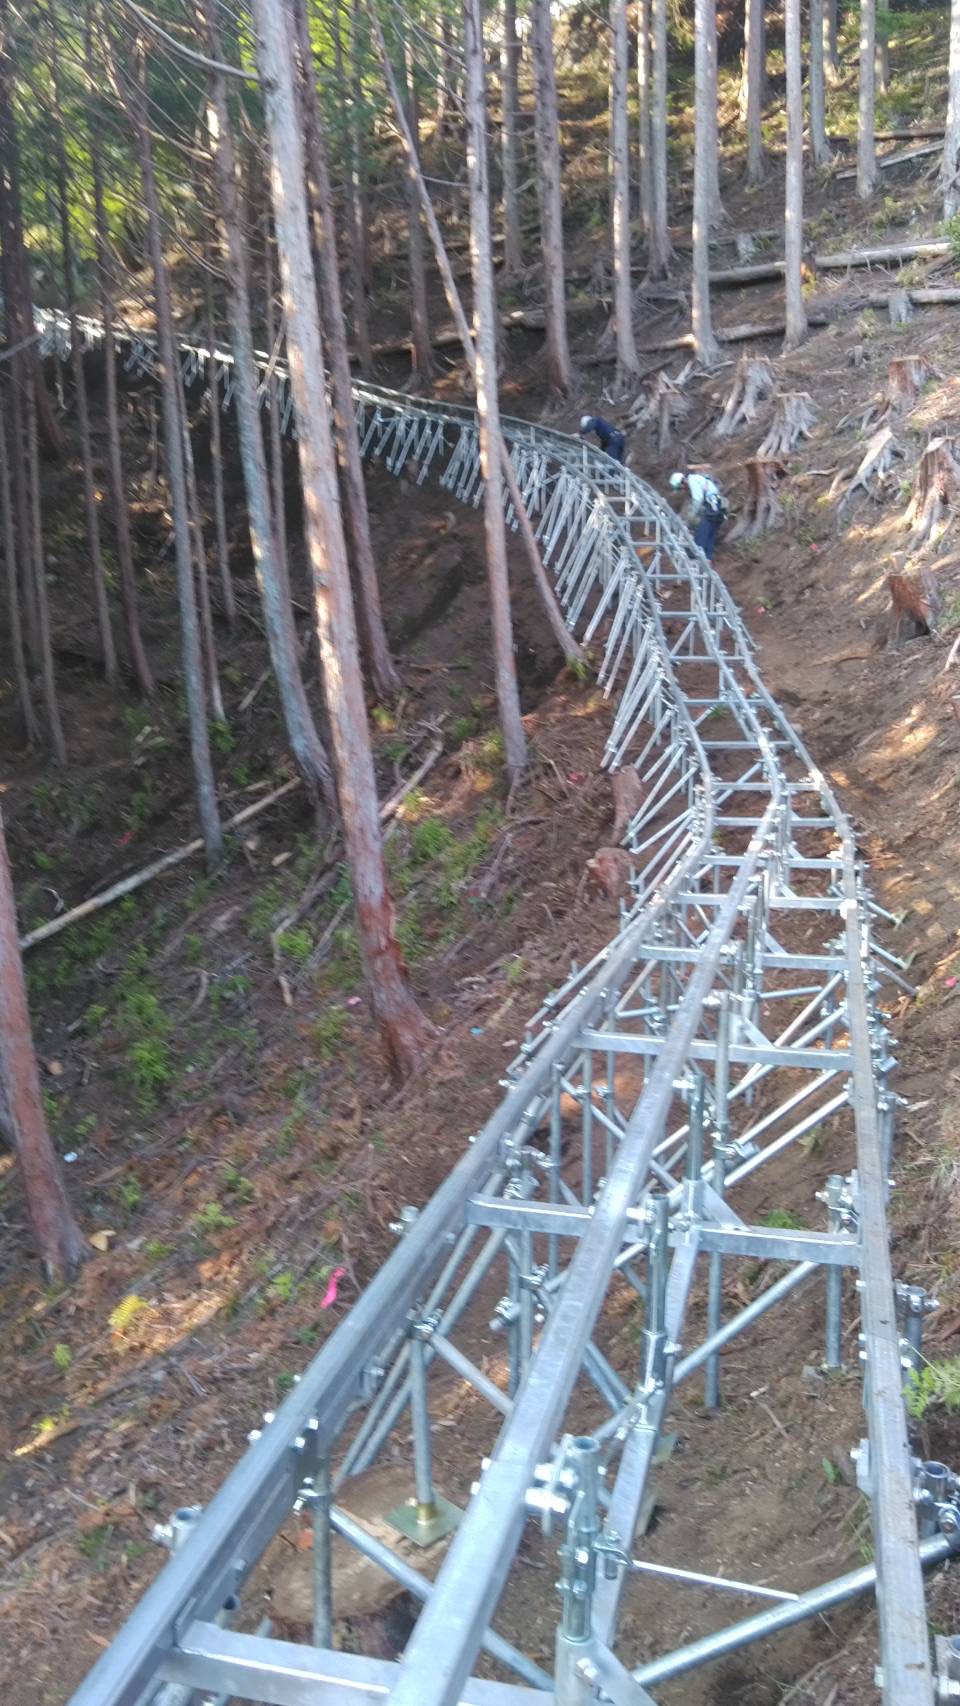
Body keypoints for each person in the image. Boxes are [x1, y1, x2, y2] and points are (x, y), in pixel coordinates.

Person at [669, 469, 728, 561]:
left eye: (681, 488)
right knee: (710, 535)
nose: (684, 490)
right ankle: (707, 559)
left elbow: (697, 499)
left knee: (702, 534)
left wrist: (690, 517)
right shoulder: (698, 479)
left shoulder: (692, 480)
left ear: (682, 482)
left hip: (713, 507)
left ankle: (697, 557)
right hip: (717, 506)